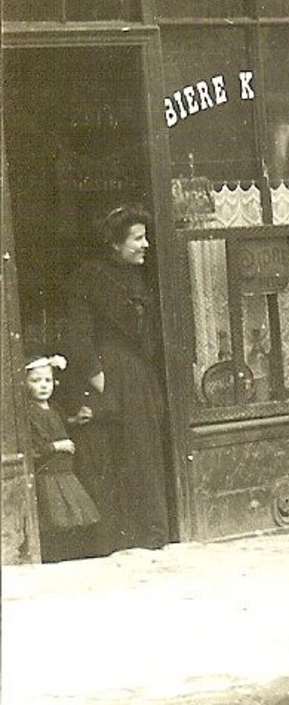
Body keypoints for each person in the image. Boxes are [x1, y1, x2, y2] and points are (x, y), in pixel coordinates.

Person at [61, 204, 171, 554]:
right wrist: (103, 382)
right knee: (113, 456)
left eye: (145, 237)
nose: (146, 245)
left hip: (136, 374)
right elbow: (78, 337)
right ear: (114, 244)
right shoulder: (88, 278)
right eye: (138, 238)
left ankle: (149, 533)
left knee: (143, 452)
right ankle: (120, 536)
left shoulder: (136, 277)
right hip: (109, 374)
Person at [22, 353, 100, 562]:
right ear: (25, 383)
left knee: (72, 521)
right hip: (48, 477)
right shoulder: (29, 413)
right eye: (36, 381)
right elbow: (34, 447)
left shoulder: (53, 408)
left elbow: (59, 425)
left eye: (47, 380)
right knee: (53, 522)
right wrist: (57, 446)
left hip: (64, 474)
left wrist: (74, 420)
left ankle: (70, 557)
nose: (43, 386)